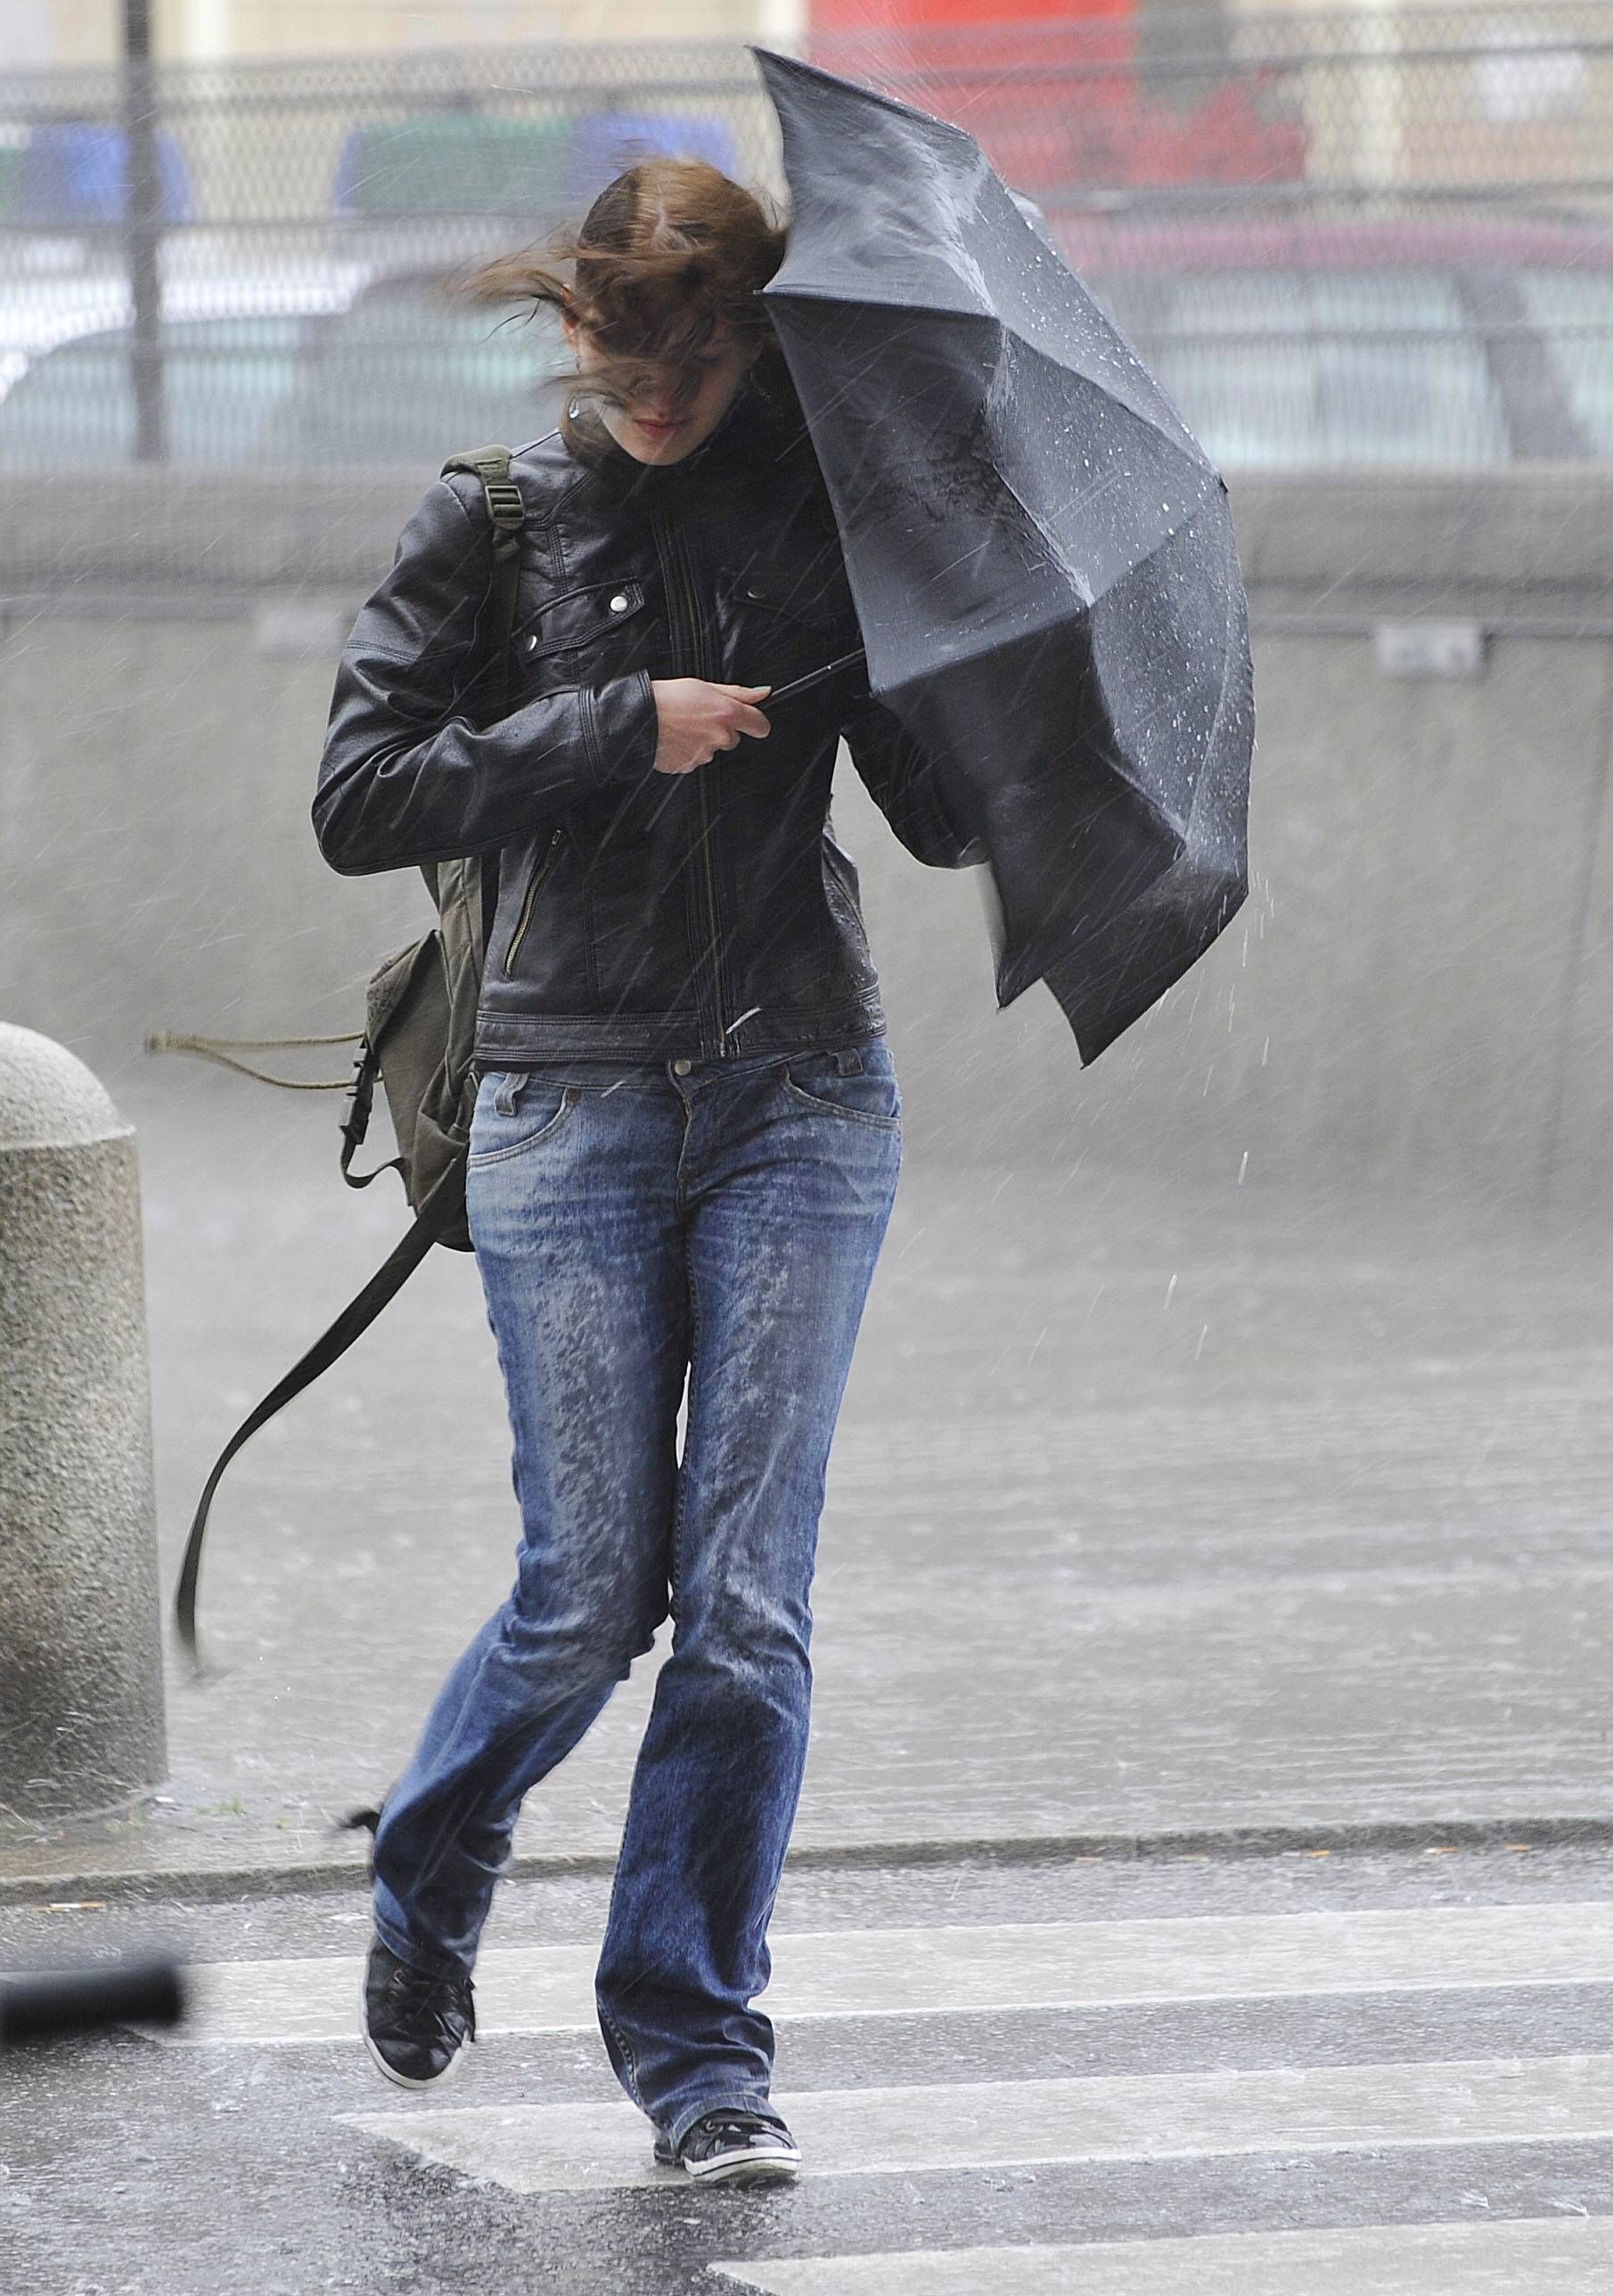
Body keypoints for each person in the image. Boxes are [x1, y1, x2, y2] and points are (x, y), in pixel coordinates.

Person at [311, 158, 963, 2188]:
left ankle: (696, 2052)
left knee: (748, 1611)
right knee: (589, 1597)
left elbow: (939, 819)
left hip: (801, 1090)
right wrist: (615, 723)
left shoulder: (831, 515)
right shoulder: (496, 518)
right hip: (568, 1098)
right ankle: (435, 1854)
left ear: (759, 337)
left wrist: (955, 649)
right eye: (623, 354)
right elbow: (358, 795)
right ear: (575, 323)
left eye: (695, 359)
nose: (657, 397)